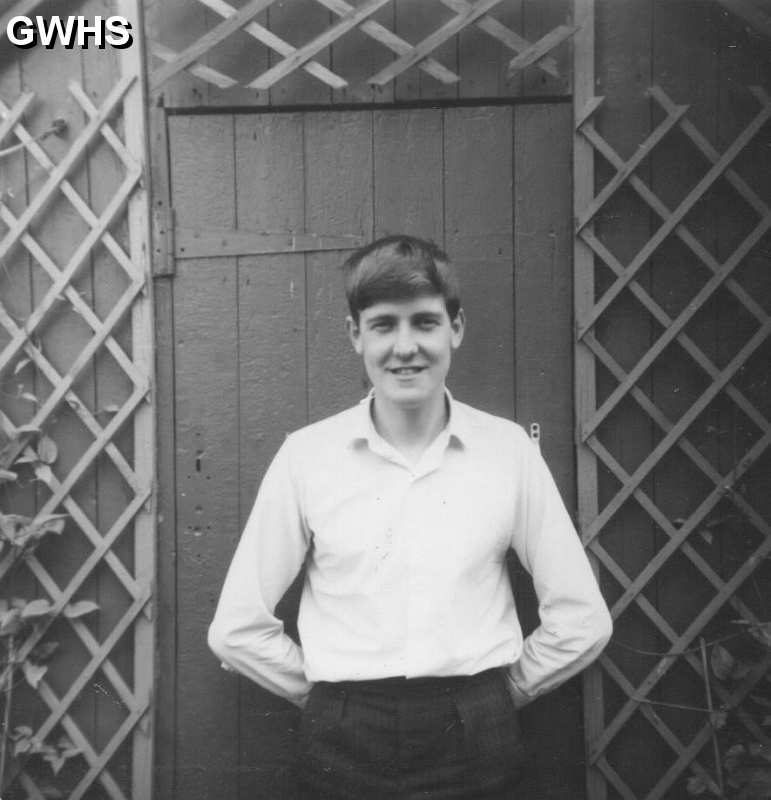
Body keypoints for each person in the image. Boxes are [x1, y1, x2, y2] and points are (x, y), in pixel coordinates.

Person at [208, 234, 613, 799]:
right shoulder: (307, 456)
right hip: (341, 742)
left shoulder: (508, 451)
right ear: (355, 335)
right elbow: (236, 629)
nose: (405, 347)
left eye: (424, 322)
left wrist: (499, 698)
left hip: (476, 735)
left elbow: (583, 619)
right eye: (383, 325)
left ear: (456, 329)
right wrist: (329, 698)